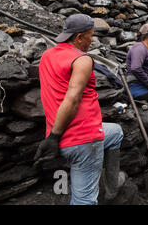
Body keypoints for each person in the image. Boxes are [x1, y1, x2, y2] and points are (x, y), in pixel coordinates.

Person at [35, 14, 127, 205]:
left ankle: (111, 187)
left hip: (62, 134)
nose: (92, 40)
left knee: (116, 132)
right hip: (83, 139)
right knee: (84, 200)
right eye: (90, 36)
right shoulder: (82, 60)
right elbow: (72, 99)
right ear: (78, 37)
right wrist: (54, 137)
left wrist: (54, 135)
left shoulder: (47, 55)